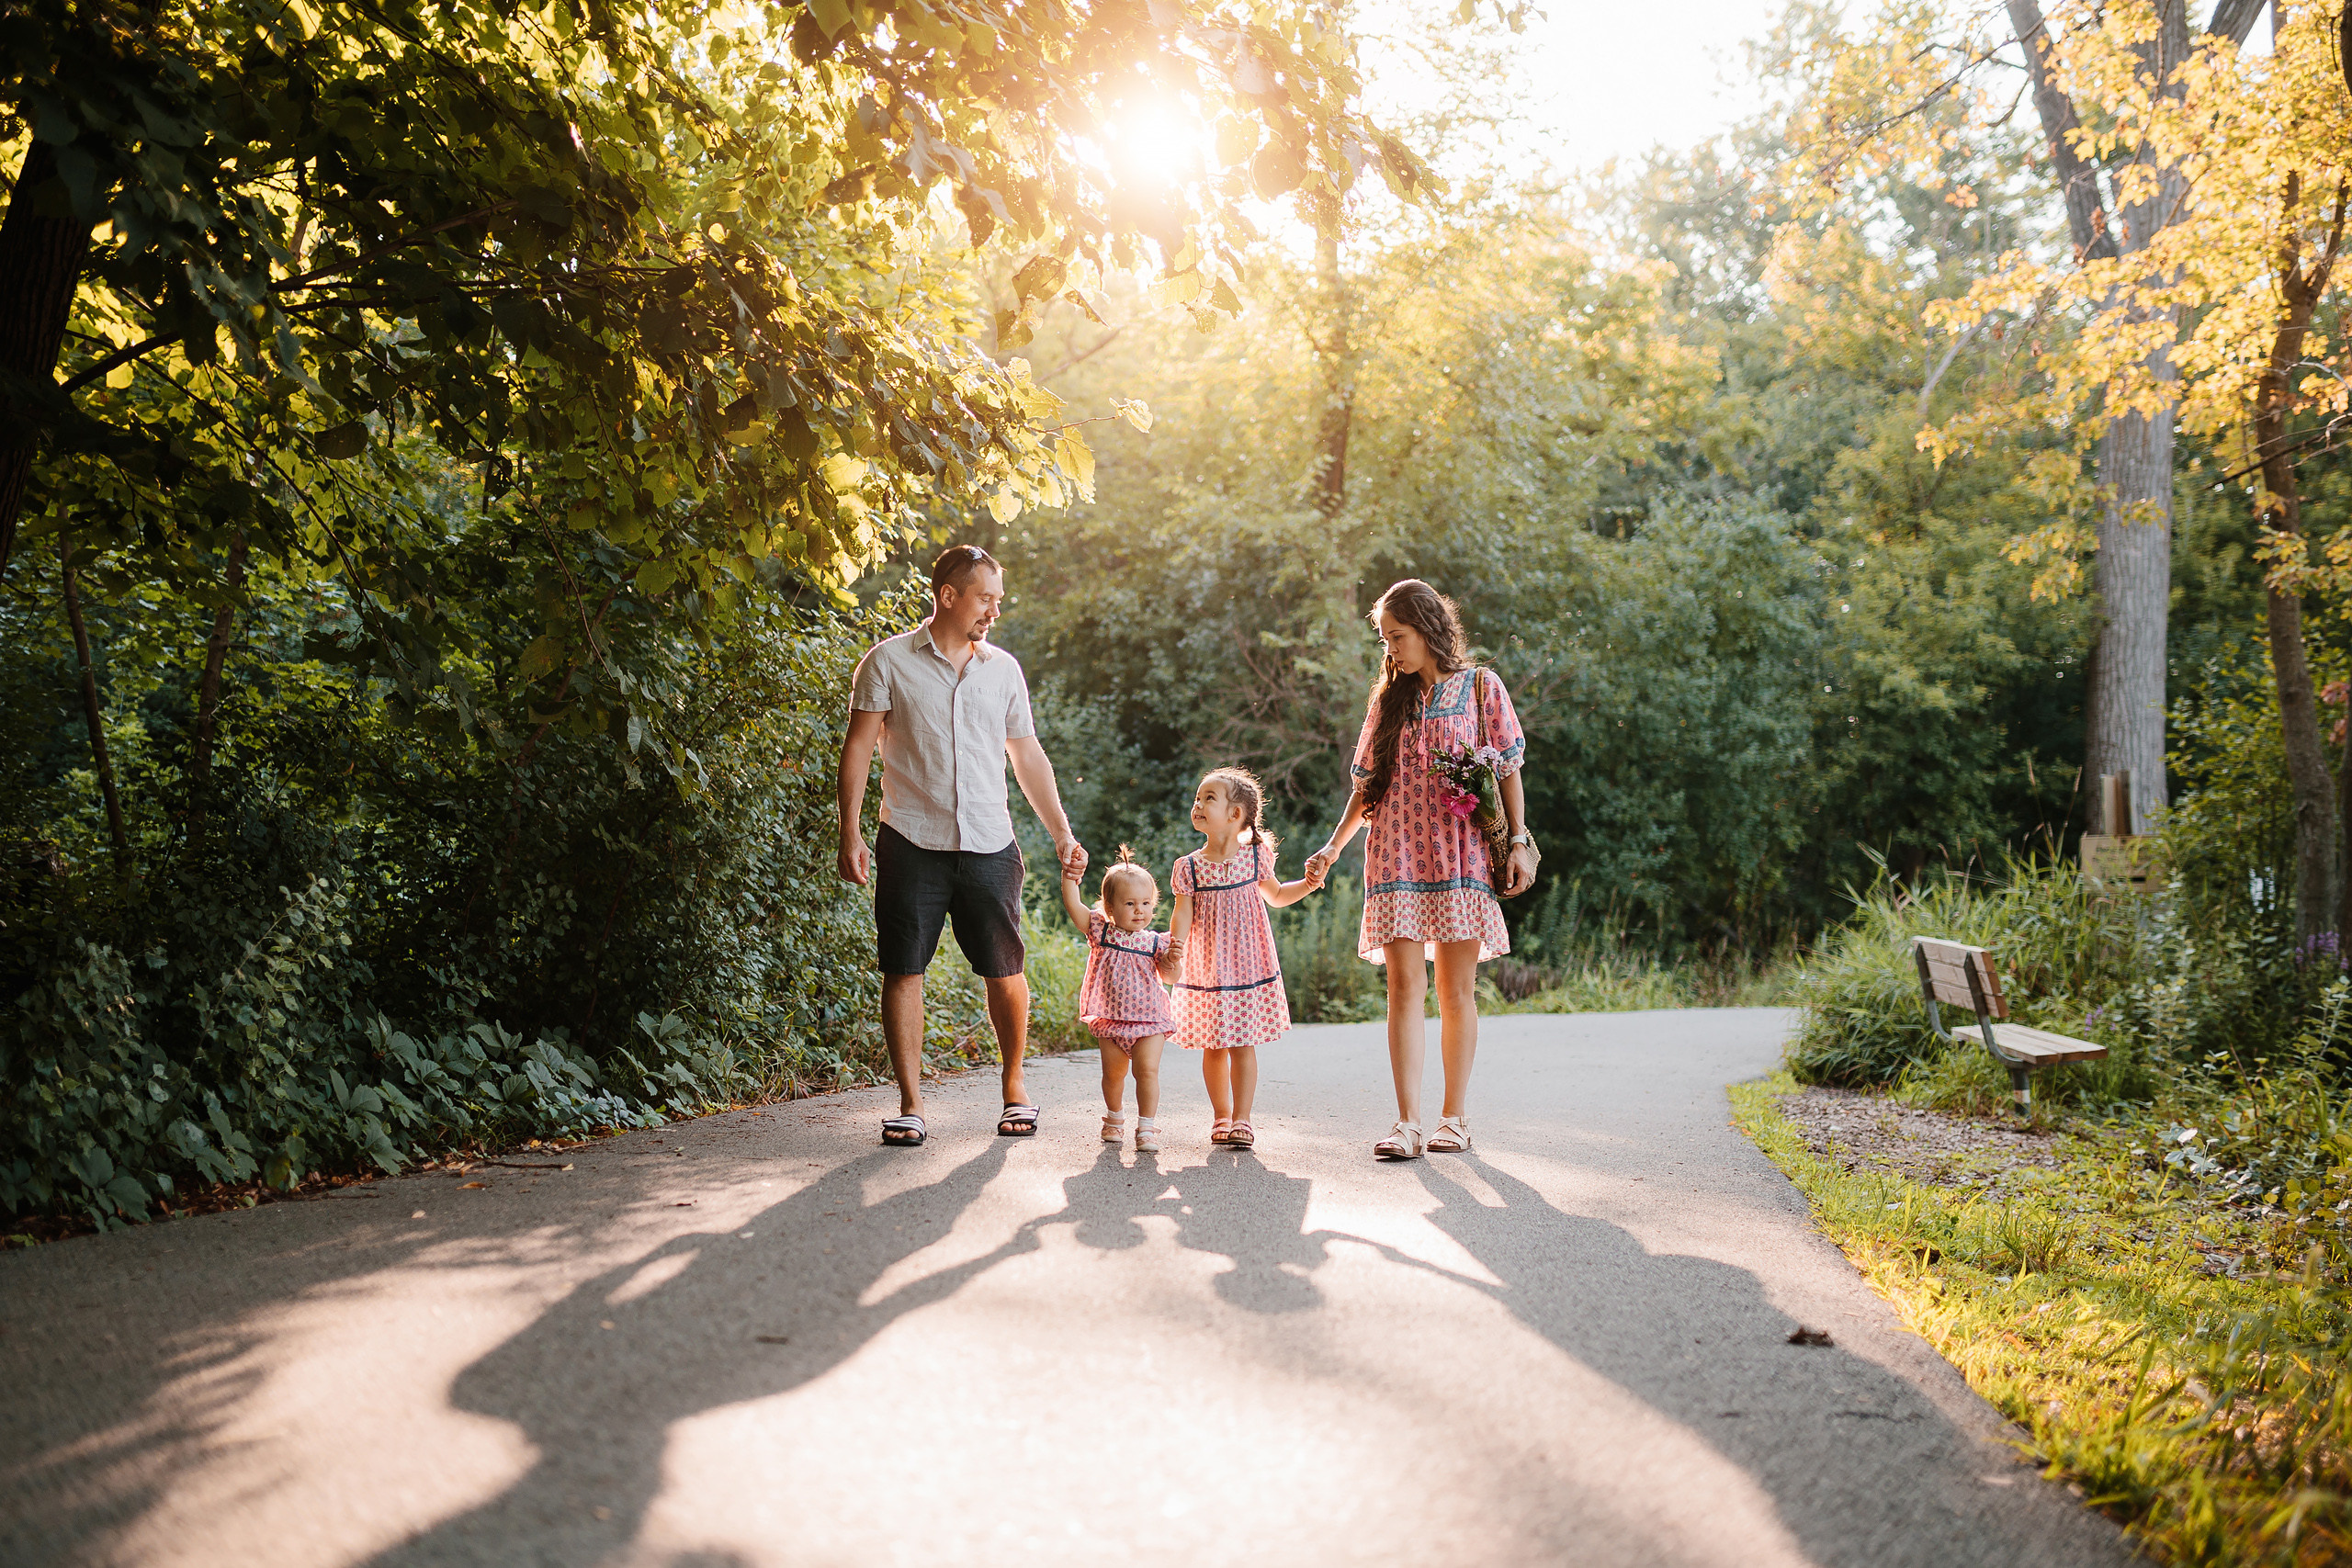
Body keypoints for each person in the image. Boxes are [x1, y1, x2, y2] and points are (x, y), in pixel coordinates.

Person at [837, 545, 1086, 1147]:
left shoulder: (1003, 670)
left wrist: (1061, 831)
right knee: (904, 968)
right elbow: (859, 748)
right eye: (984, 599)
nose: (993, 612)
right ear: (948, 595)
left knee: (1006, 969)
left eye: (998, 601)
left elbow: (1026, 755)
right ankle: (911, 1103)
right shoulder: (887, 661)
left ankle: (1014, 1085)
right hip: (910, 838)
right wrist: (849, 829)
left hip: (989, 842)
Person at [1303, 581, 1536, 1160]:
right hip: (1395, 856)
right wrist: (1333, 848)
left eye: (1398, 636)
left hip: (1460, 856)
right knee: (1403, 988)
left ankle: (1453, 1119)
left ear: (1428, 629)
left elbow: (1507, 770)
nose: (1392, 649)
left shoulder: (1482, 687)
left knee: (1455, 991)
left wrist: (1519, 840)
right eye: (1385, 638)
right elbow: (1367, 788)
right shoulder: (1389, 700)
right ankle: (1407, 1123)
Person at [1169, 766, 1324, 1149]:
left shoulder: (1255, 856)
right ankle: (1221, 1116)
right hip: (1207, 966)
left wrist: (1307, 883)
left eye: (1209, 798)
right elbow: (1182, 914)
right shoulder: (1188, 866)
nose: (1198, 804)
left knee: (1242, 1043)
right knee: (1213, 1044)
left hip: (1247, 965)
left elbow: (1277, 896)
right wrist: (1174, 948)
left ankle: (1243, 1119)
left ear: (1235, 814)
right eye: (1198, 798)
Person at [1057, 847, 1182, 1153]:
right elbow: (1074, 905)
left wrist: (1172, 960)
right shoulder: (1101, 932)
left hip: (1150, 1021)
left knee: (1146, 1072)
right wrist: (1068, 878)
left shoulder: (1156, 941)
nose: (1140, 910)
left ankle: (1147, 1128)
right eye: (1130, 903)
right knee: (1113, 1075)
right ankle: (1114, 1119)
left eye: (1146, 903)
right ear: (1109, 908)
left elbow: (1170, 977)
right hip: (1112, 1020)